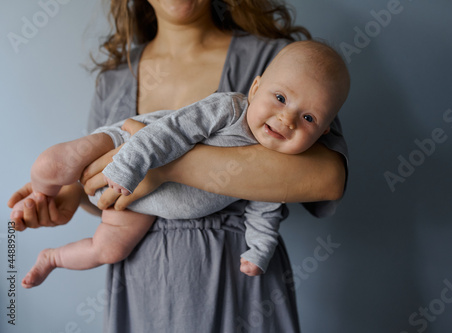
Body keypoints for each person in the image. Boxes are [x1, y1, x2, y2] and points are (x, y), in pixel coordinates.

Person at [8, 1, 349, 332]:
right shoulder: (114, 79)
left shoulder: (282, 60)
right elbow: (119, 194)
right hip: (143, 284)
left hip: (236, 282)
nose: (289, 116)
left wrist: (166, 167)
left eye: (305, 118)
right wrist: (75, 196)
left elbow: (326, 179)